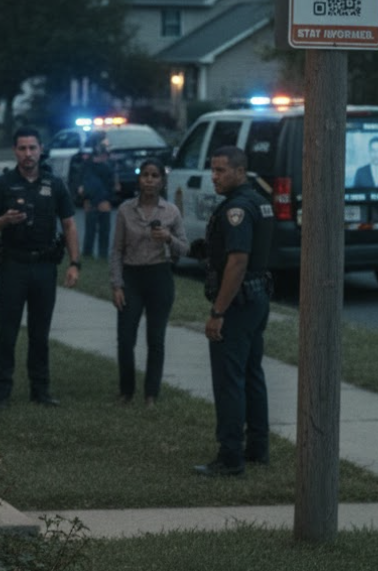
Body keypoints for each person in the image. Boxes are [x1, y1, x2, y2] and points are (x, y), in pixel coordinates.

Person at [0, 125, 81, 407]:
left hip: (44, 266)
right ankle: (1, 392)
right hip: (13, 265)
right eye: (23, 148)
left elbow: (69, 225)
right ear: (15, 151)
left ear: (41, 149)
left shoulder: (55, 184)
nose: (28, 154)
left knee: (40, 332)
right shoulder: (3, 184)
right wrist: (4, 220)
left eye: (32, 148)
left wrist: (75, 263)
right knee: (7, 331)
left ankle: (41, 390)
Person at [194, 146, 275, 477]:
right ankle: (257, 447)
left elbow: (238, 262)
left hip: (238, 304)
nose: (214, 176)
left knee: (230, 381)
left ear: (240, 172)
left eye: (221, 170)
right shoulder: (259, 201)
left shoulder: (237, 209)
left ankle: (230, 456)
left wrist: (218, 312)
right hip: (256, 298)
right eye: (212, 170)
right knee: (252, 374)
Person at [110, 158, 189, 406]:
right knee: (125, 338)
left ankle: (151, 394)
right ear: (139, 179)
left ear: (162, 181)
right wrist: (117, 284)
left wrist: (168, 238)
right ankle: (126, 391)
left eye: (155, 176)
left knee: (156, 339)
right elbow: (117, 250)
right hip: (132, 276)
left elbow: (184, 248)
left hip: (159, 276)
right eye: (145, 175)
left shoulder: (171, 211)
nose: (150, 180)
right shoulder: (126, 210)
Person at [77, 137, 120, 259]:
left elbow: (82, 185)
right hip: (97, 200)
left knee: (96, 231)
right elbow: (114, 187)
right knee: (99, 231)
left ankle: (93, 254)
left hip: (95, 200)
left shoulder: (89, 165)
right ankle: (98, 255)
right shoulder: (103, 166)